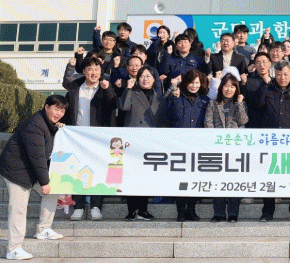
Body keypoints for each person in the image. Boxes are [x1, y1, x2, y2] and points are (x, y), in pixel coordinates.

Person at [0, 95, 68, 261]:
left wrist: (56, 129)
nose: (59, 113)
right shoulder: (35, 125)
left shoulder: (47, 123)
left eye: (62, 110)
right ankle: (13, 249)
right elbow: (37, 157)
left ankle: (43, 229)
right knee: (18, 209)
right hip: (15, 170)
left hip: (28, 169)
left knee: (52, 191)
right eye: (56, 109)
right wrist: (44, 182)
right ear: (46, 107)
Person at [62, 57, 116, 221]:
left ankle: (95, 207)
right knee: (78, 171)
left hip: (98, 138)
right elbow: (67, 108)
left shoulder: (105, 87)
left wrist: (107, 89)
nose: (94, 72)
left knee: (98, 171)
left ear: (101, 72)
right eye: (90, 69)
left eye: (97, 69)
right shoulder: (75, 89)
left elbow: (113, 105)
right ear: (84, 71)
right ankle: (78, 207)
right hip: (77, 137)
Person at [257, 61, 290, 221]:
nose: (282, 77)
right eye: (279, 74)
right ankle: (267, 212)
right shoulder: (268, 88)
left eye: (286, 74)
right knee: (269, 177)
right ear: (274, 74)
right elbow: (258, 106)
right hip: (271, 141)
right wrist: (264, 87)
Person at [118, 66, 166, 221]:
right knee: (131, 175)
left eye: (148, 76)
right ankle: (131, 210)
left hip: (150, 142)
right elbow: (123, 106)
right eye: (142, 76)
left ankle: (143, 210)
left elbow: (163, 121)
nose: (145, 79)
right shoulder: (132, 93)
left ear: (154, 79)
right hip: (133, 142)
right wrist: (128, 89)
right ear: (137, 79)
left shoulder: (160, 98)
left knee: (146, 176)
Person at [166, 69, 211, 221]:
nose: (194, 86)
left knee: (195, 178)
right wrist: (174, 97)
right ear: (185, 83)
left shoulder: (205, 100)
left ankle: (191, 209)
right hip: (179, 145)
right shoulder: (177, 97)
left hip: (198, 145)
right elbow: (169, 116)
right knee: (180, 178)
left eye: (197, 83)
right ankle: (180, 210)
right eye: (191, 82)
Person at [204, 73, 248, 222]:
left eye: (232, 86)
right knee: (217, 181)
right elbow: (208, 124)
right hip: (217, 149)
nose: (229, 89)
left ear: (236, 89)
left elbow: (243, 121)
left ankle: (233, 213)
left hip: (235, 149)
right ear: (221, 87)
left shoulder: (240, 103)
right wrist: (216, 142)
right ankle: (219, 213)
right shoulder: (213, 103)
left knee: (234, 181)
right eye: (226, 86)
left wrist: (240, 103)